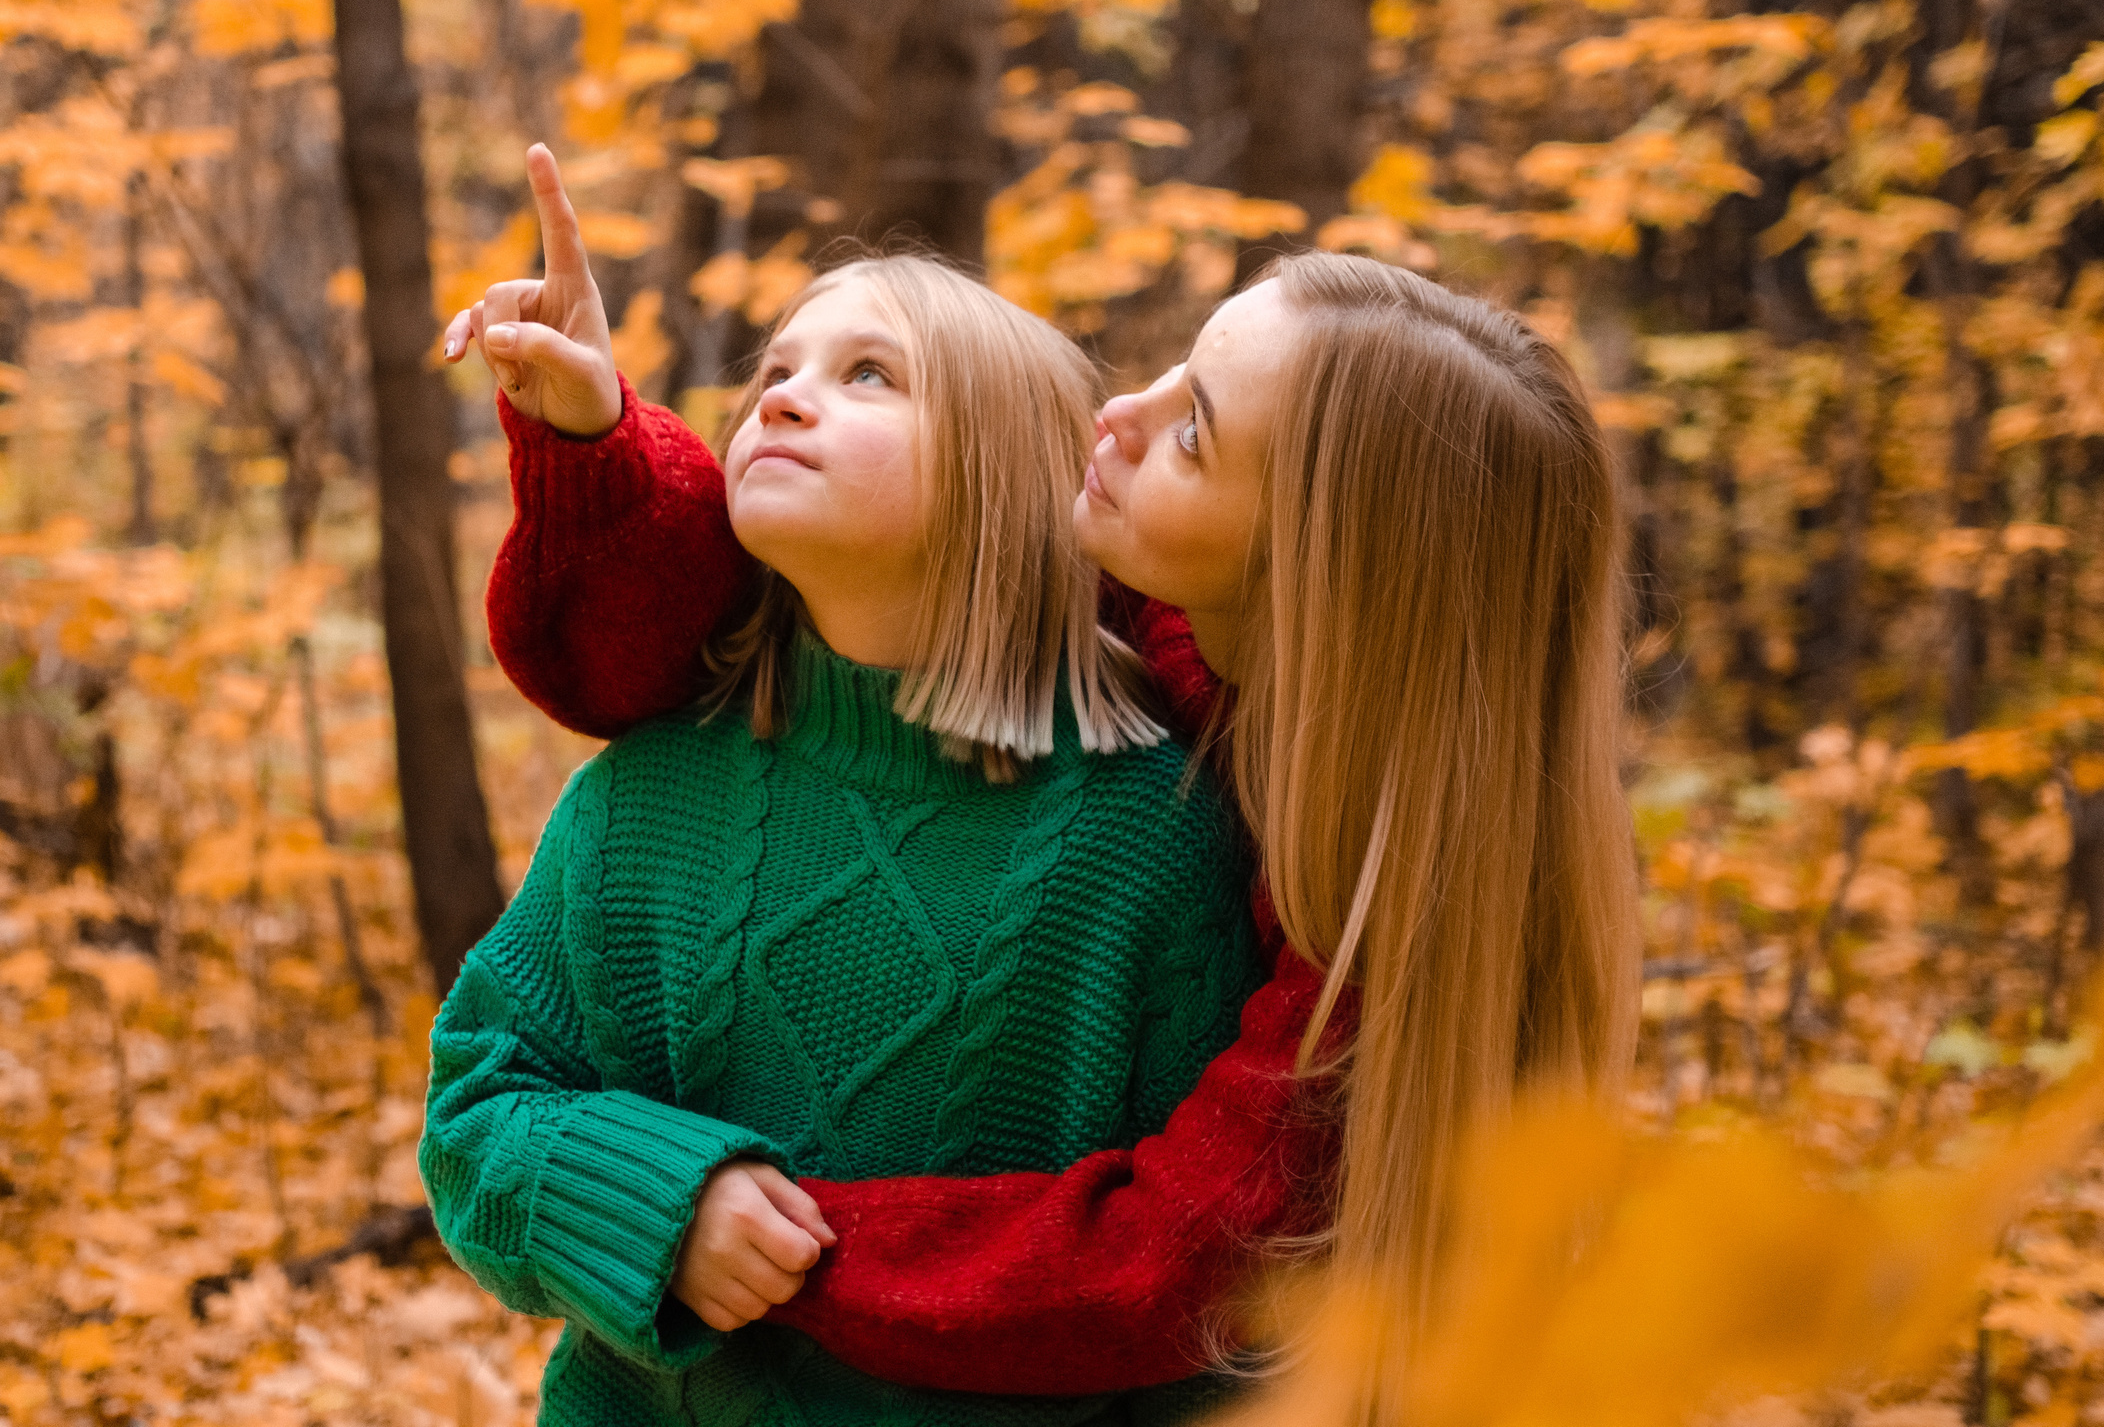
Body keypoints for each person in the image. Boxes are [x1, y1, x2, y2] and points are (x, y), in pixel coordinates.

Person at [450, 145, 1643, 1416]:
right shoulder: (647, 797)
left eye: (1192, 431)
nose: (1113, 418)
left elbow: (1176, 1295)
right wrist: (595, 439)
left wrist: (779, 1252)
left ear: (1302, 571)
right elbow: (488, 1082)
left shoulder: (1189, 846)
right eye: (774, 371)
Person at [418, 205, 1258, 1426]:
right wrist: (659, 1204)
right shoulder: (644, 802)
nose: (785, 399)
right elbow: (478, 1108)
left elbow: (1208, 1292)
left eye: (870, 374)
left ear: (1012, 473)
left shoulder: (1148, 844)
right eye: (775, 372)